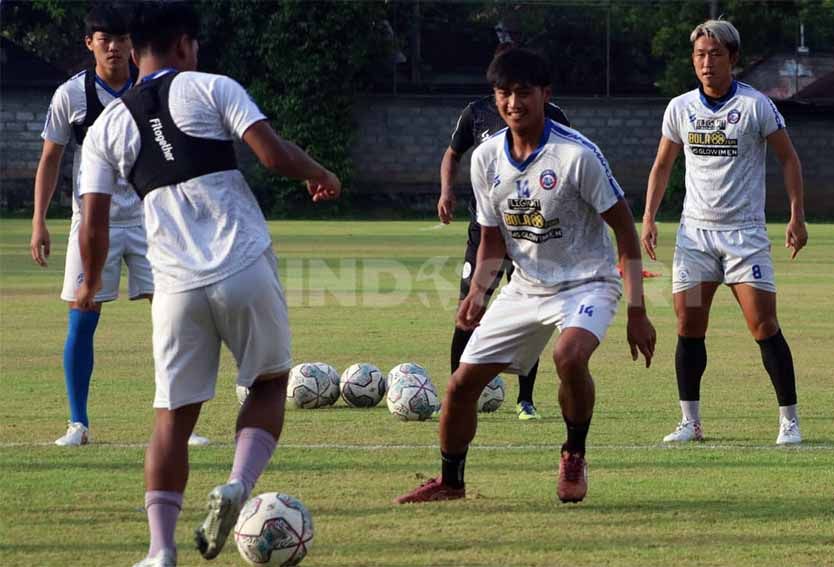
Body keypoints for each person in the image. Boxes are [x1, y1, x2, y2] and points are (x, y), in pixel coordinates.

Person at [76, 3, 341, 566]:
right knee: (268, 385)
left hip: (173, 287)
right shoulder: (211, 86)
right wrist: (319, 171)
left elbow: (93, 220)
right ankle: (239, 485)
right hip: (242, 264)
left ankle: (160, 550)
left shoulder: (106, 127)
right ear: (183, 46)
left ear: (136, 48)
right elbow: (271, 154)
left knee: (172, 418)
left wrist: (91, 282)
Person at [396, 47, 656, 505]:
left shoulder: (577, 156)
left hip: (587, 282)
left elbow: (625, 231)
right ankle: (451, 483)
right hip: (525, 286)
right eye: (504, 93)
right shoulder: (484, 160)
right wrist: (478, 291)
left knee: (569, 357)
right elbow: (492, 239)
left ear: (544, 94)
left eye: (523, 92)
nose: (513, 103)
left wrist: (637, 312)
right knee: (459, 387)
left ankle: (573, 454)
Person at [30, 3, 209, 448]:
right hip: (91, 223)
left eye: (121, 39)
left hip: (152, 219)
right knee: (83, 318)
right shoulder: (70, 96)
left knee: (174, 317)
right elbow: (50, 159)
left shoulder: (154, 89)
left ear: (133, 46)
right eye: (104, 39)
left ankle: (181, 424)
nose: (113, 47)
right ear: (89, 43)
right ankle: (78, 424)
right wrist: (39, 222)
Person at [641, 20, 806, 446]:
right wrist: (648, 217)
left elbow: (789, 160)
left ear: (733, 58)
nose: (706, 62)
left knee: (763, 324)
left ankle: (789, 421)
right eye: (699, 54)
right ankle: (690, 422)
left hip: (743, 237)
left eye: (715, 54)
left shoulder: (757, 106)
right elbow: (662, 165)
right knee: (688, 324)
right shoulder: (679, 108)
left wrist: (796, 215)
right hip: (695, 238)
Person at [438, 42, 571, 421]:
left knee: (531, 317)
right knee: (468, 310)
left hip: (533, 234)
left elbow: (568, 165)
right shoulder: (477, 113)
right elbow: (453, 153)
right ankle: (456, 392)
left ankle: (524, 400)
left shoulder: (553, 114)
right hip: (487, 231)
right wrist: (447, 190)